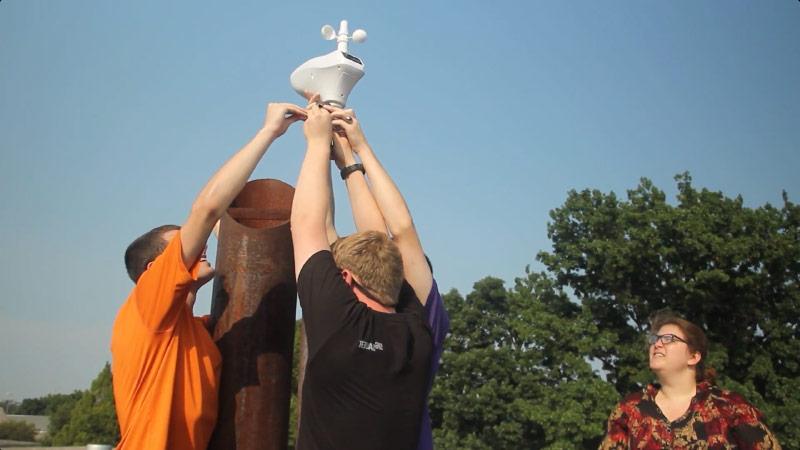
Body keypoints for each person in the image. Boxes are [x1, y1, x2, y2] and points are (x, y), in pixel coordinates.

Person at [111, 102, 306, 450]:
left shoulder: (193, 329)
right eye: (182, 246)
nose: (197, 246)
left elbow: (213, 221)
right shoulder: (147, 307)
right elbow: (206, 209)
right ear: (153, 272)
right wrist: (269, 133)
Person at [291, 98, 434, 450]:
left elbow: (309, 224)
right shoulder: (417, 336)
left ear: (347, 279)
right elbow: (383, 239)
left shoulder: (342, 325)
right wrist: (348, 162)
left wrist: (316, 144)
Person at [326, 105, 450, 450]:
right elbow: (389, 235)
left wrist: (346, 154)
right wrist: (347, 156)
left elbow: (397, 233)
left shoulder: (419, 320)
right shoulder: (404, 318)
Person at [599, 311, 782, 449]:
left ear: (694, 357)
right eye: (655, 339)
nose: (657, 343)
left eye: (669, 339)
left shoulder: (729, 407)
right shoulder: (630, 409)